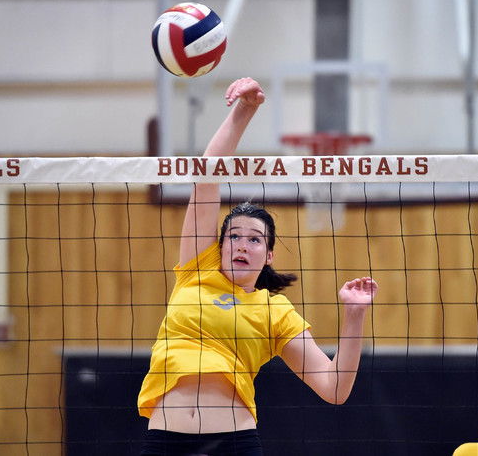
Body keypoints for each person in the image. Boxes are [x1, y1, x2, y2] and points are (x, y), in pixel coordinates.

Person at [137, 77, 378, 455]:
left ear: (268, 255)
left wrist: (354, 316)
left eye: (254, 239)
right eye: (233, 236)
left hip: (235, 444)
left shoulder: (274, 311)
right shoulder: (196, 271)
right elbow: (207, 174)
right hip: (165, 442)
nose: (242, 245)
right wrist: (245, 108)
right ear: (220, 246)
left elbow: (334, 388)